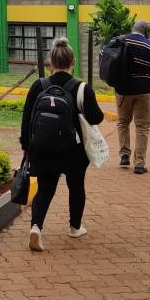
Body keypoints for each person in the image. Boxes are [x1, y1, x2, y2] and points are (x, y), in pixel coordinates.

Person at [20, 37, 104, 252]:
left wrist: (27, 146)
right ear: (72, 61)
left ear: (50, 61)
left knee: (46, 189)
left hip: (43, 148)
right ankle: (75, 227)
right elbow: (96, 118)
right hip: (73, 151)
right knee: (76, 186)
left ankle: (36, 228)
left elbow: (27, 119)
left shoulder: (38, 85)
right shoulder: (82, 88)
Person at [116, 20, 150, 175]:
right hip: (144, 91)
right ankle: (139, 164)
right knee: (142, 127)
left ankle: (124, 155)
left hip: (123, 91)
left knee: (122, 122)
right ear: (146, 32)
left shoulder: (120, 41)